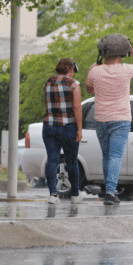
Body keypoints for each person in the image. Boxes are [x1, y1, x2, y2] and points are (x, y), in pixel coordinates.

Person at [86, 34, 133, 205]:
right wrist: (132, 48)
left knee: (106, 156)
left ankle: (108, 190)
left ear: (103, 54)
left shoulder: (94, 70)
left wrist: (93, 69)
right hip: (120, 119)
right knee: (115, 156)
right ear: (121, 55)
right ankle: (110, 192)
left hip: (101, 119)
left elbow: (89, 89)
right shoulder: (126, 69)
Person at [42, 58, 83, 205]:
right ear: (71, 70)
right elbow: (77, 107)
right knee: (71, 161)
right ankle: (75, 195)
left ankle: (53, 195)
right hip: (68, 127)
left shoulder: (48, 82)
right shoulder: (74, 84)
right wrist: (79, 128)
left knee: (52, 160)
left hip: (49, 127)